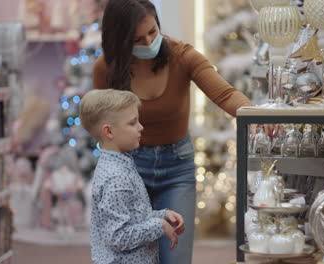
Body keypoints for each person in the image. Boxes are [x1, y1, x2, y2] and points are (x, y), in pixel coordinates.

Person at [92, 0, 252, 263]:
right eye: (138, 40)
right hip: (129, 171)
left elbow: (225, 94)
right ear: (121, 40)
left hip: (177, 170)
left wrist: (259, 117)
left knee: (175, 257)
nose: (149, 42)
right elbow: (100, 124)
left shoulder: (182, 55)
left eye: (153, 32)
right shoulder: (106, 68)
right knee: (130, 256)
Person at [79, 89, 185, 264]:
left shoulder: (121, 164)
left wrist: (162, 215)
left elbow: (134, 217)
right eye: (132, 123)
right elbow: (118, 237)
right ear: (109, 132)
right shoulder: (115, 178)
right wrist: (159, 225)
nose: (141, 127)